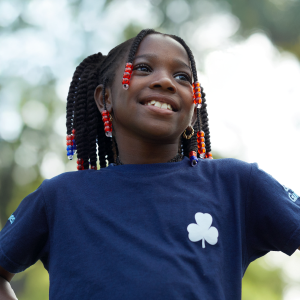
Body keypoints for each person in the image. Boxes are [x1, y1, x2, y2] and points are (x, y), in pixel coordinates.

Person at [0, 29, 299, 300]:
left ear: (194, 110)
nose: (166, 82)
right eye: (143, 68)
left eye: (182, 77)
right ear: (105, 98)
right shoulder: (60, 197)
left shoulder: (236, 184)